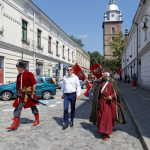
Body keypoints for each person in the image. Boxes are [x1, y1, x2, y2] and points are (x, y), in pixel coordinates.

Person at [89, 66, 126, 141]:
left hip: (110, 103)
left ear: (107, 73)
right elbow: (97, 92)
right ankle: (102, 129)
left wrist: (112, 96)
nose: (102, 73)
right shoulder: (100, 81)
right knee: (100, 115)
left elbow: (117, 92)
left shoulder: (113, 81)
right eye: (102, 72)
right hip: (102, 101)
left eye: (103, 72)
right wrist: (94, 87)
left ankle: (107, 133)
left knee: (108, 117)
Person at [7, 61, 39, 130]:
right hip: (21, 95)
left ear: (22, 67)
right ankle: (15, 124)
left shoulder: (29, 74)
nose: (17, 68)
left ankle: (37, 119)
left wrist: (33, 93)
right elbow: (17, 86)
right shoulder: (18, 76)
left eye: (18, 67)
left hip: (29, 94)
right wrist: (17, 93)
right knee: (18, 108)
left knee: (33, 107)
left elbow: (34, 84)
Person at [61, 66, 81, 130]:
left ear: (72, 71)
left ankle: (72, 120)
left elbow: (78, 86)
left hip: (73, 95)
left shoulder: (75, 77)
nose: (69, 71)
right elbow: (63, 86)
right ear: (67, 71)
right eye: (68, 70)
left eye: (70, 70)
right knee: (65, 109)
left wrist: (78, 94)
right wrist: (62, 94)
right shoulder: (65, 77)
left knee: (72, 109)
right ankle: (66, 123)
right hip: (66, 95)